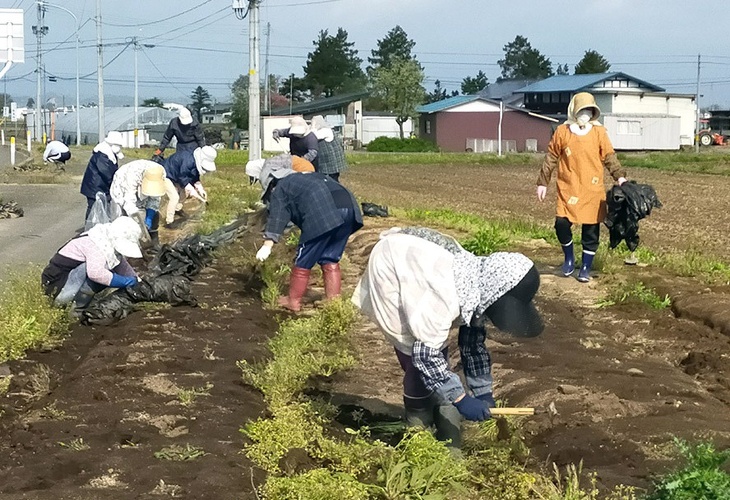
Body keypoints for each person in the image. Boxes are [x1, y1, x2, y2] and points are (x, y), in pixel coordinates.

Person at [351, 226, 543, 451]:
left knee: (436, 358)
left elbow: (472, 343)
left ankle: (442, 418)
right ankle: (417, 427)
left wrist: (483, 392)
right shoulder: (442, 298)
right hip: (391, 266)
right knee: (416, 356)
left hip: (418, 261)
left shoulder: (479, 287)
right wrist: (460, 399)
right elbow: (425, 356)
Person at [536, 92, 628, 283]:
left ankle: (586, 267)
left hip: (592, 188)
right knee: (561, 223)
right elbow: (551, 157)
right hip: (568, 186)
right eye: (582, 109)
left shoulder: (599, 132)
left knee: (590, 229)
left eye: (589, 110)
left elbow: (609, 156)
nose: (586, 113)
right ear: (574, 110)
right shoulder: (563, 131)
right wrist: (542, 182)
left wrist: (619, 177)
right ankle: (569, 258)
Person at [254, 163, 363, 311]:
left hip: (324, 211)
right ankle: (333, 302)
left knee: (303, 258)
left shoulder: (281, 188)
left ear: (271, 184)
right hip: (350, 208)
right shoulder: (308, 178)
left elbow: (277, 218)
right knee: (330, 257)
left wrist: (267, 245)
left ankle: (293, 301)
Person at [41, 216, 143, 314]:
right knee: (97, 272)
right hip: (56, 286)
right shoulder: (95, 244)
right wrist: (125, 282)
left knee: (107, 269)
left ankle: (81, 303)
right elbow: (95, 274)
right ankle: (75, 310)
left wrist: (137, 281)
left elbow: (120, 265)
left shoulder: (106, 242)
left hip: (68, 280)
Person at [110, 160, 167, 249]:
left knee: (149, 215)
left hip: (140, 187)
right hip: (122, 186)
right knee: (123, 220)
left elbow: (155, 198)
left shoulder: (160, 172)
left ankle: (148, 245)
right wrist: (138, 222)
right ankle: (123, 247)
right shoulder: (132, 175)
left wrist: (149, 217)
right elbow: (129, 202)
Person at [162, 146, 217, 228]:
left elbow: (194, 176)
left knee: (184, 193)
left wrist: (200, 188)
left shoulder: (194, 161)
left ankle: (177, 209)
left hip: (176, 175)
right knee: (174, 197)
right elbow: (182, 177)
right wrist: (192, 190)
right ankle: (169, 222)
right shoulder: (188, 161)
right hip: (165, 173)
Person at [80, 131, 125, 221]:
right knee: (94, 208)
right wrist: (116, 183)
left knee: (102, 209)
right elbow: (107, 173)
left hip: (100, 186)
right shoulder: (102, 155)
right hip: (95, 187)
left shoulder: (109, 153)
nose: (119, 148)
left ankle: (99, 225)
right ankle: (89, 228)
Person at [310, 115, 347, 182]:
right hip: (326, 160)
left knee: (333, 179)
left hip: (331, 160)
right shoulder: (321, 130)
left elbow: (313, 136)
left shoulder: (325, 130)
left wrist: (312, 126)